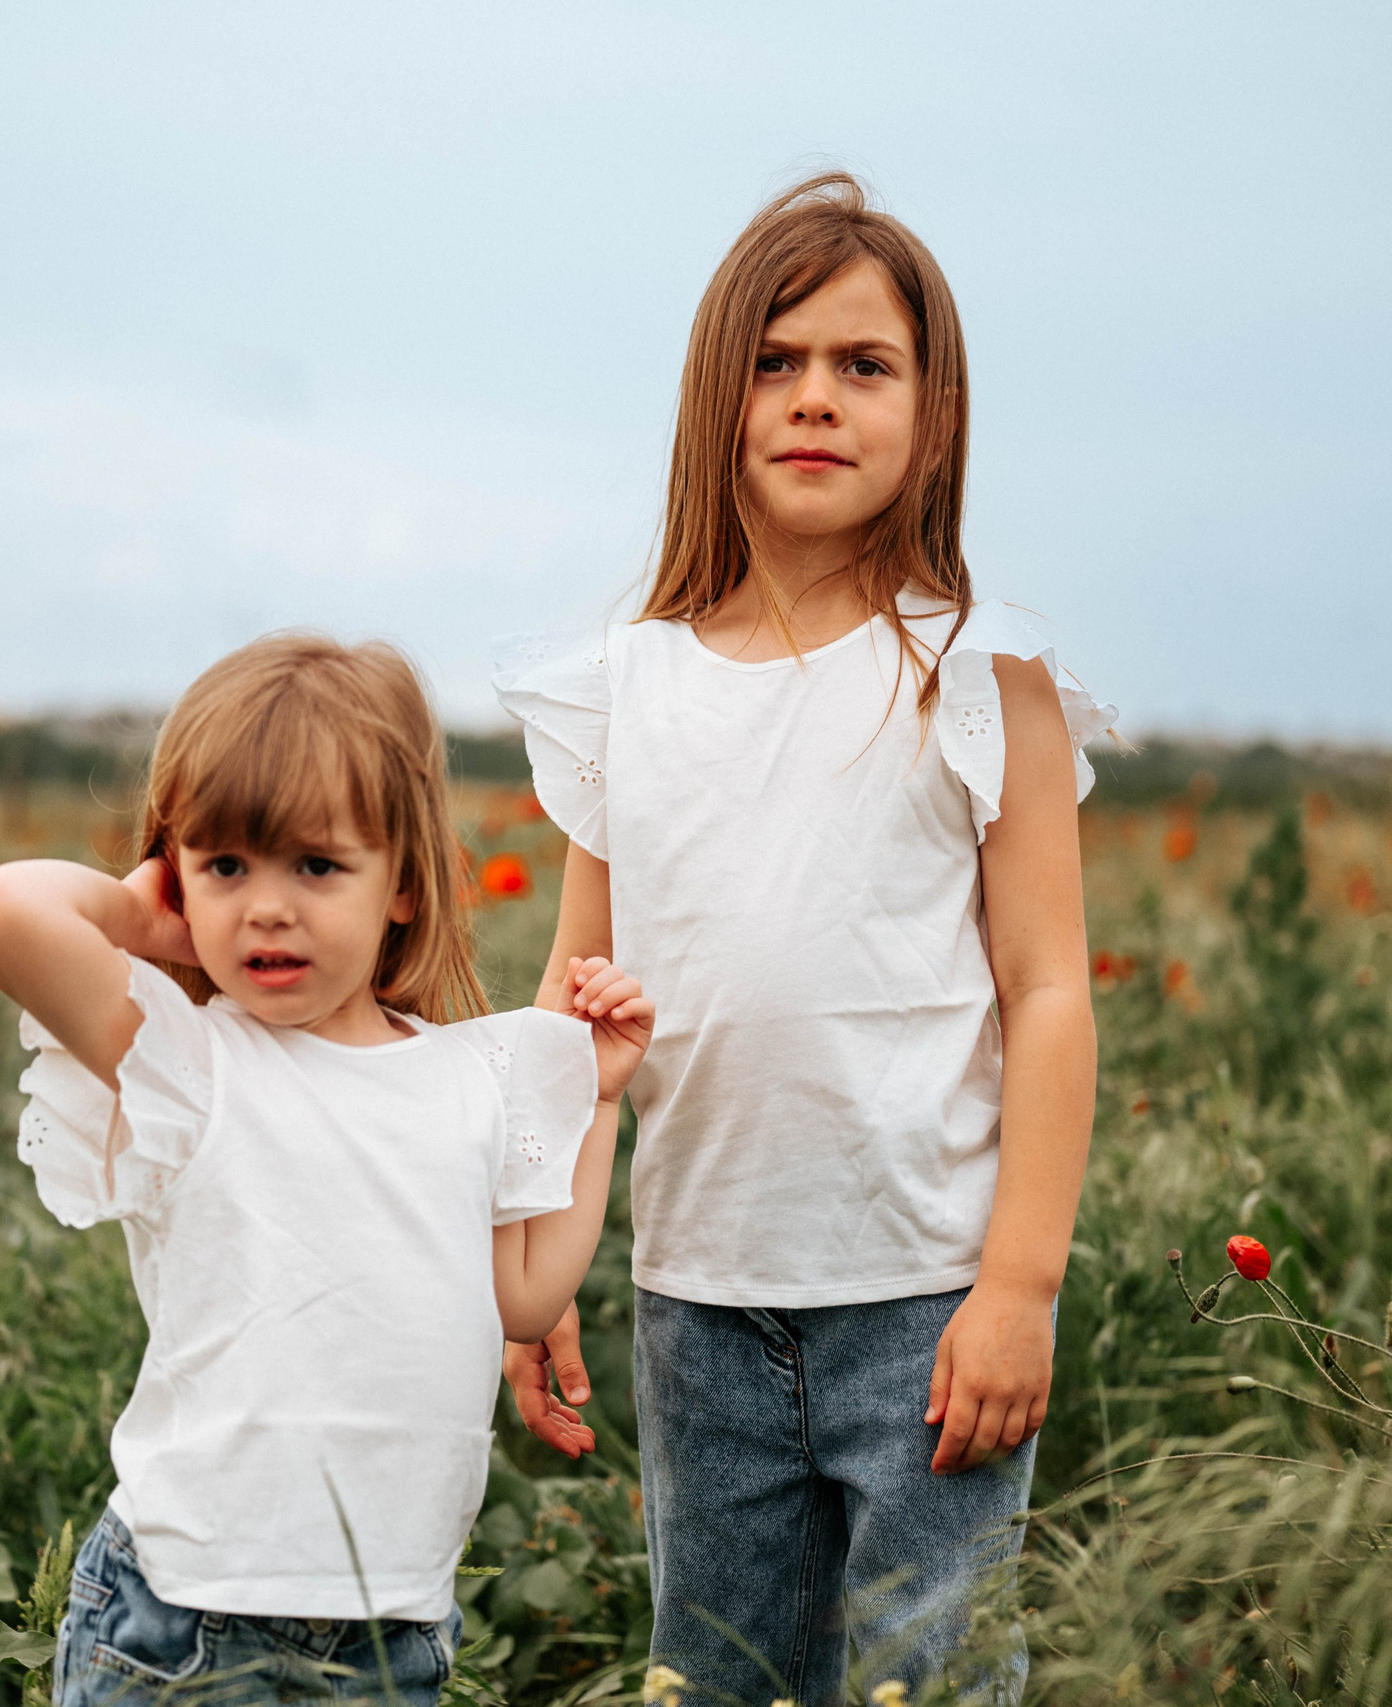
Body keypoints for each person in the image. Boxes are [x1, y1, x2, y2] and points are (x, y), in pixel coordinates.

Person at [492, 174, 1114, 1705]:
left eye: (863, 364)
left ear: (937, 413)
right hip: (699, 1304)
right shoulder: (626, 690)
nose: (815, 398)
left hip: (927, 1302)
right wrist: (536, 1255)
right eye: (775, 363)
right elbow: (577, 1023)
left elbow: (1046, 993)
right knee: (719, 1676)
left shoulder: (982, 671)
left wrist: (1021, 1283)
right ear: (720, 400)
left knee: (939, 1680)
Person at [0, 632, 653, 1707]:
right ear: (176, 871)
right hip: (183, 1619)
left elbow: (527, 1295)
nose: (268, 906)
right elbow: (8, 913)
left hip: (389, 1634)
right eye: (226, 865)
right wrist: (146, 920)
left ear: (405, 887)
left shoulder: (466, 1076)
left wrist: (600, 1100)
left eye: (316, 866)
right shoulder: (190, 1063)